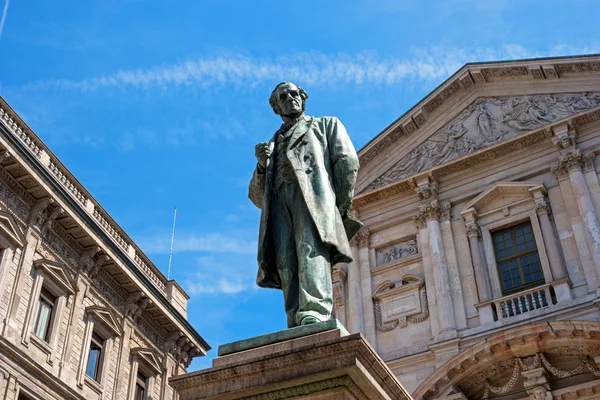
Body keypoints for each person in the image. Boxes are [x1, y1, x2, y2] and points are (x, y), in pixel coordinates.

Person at [248, 82, 362, 328]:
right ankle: (294, 315)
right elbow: (256, 196)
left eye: (294, 93)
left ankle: (316, 310)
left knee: (310, 249)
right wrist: (261, 165)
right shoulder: (272, 144)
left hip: (313, 198)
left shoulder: (325, 125)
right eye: (283, 96)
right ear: (276, 107)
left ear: (303, 97)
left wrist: (337, 208)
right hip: (279, 200)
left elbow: (347, 162)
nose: (291, 98)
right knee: (286, 260)